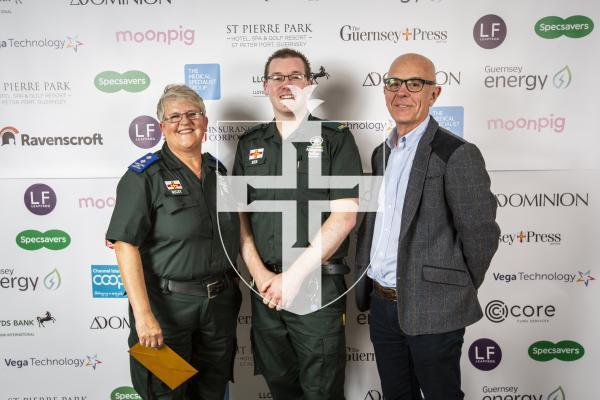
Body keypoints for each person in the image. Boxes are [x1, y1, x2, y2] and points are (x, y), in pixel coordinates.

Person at [354, 53, 500, 400]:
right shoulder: (381, 153)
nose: (401, 92)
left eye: (414, 84)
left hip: (435, 307)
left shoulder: (457, 153)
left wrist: (452, 287)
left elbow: (481, 234)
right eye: (393, 83)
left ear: (433, 94)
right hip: (383, 305)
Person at [233, 48, 362, 400]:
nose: (286, 84)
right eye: (277, 77)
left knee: (322, 390)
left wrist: (293, 277)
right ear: (265, 86)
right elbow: (239, 220)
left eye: (295, 76)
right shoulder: (249, 145)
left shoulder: (336, 139)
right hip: (266, 291)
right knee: (280, 388)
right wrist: (260, 275)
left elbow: (345, 216)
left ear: (309, 84)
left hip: (316, 288)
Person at [106, 84, 241, 400]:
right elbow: (125, 245)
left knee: (211, 392)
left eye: (193, 114)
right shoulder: (143, 176)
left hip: (217, 309)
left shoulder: (218, 172)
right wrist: (144, 315)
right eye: (175, 116)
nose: (185, 121)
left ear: (205, 122)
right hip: (167, 311)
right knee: (168, 393)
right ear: (162, 126)